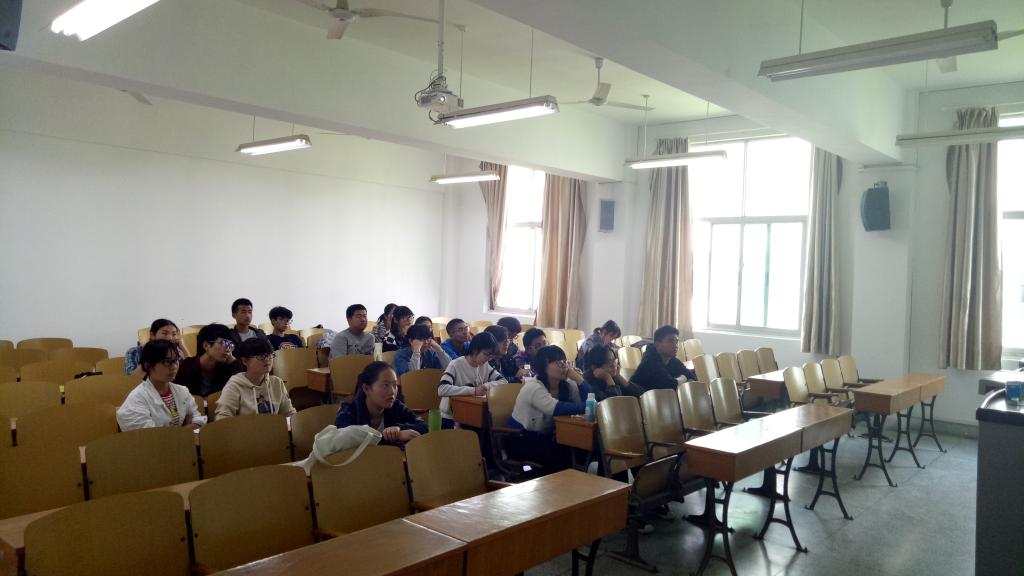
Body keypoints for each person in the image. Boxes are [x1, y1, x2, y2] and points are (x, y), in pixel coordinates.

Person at [506, 345, 589, 471]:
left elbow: (590, 400)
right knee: (565, 456)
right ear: (544, 366)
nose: (564, 366)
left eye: (565, 362)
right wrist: (588, 407)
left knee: (583, 449)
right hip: (522, 438)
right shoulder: (534, 387)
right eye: (559, 362)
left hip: (546, 436)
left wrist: (579, 379)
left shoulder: (566, 385)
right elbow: (558, 409)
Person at [117, 340, 206, 431]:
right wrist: (186, 429)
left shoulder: (182, 391)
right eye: (167, 362)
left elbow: (198, 420)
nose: (174, 366)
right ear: (148, 365)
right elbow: (151, 435)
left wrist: (189, 427)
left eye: (176, 360)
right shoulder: (137, 399)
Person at [334, 361, 427, 446]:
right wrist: (395, 436)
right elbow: (345, 442)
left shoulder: (396, 406)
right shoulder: (349, 410)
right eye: (385, 385)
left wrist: (399, 428)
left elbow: (424, 426)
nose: (392, 391)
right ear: (367, 388)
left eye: (395, 385)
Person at [216, 337, 295, 419]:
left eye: (270, 355)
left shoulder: (277, 382)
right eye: (261, 356)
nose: (267, 359)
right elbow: (222, 419)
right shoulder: (234, 386)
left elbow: (289, 413)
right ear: (245, 361)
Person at [437, 332, 508, 423]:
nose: (488, 359)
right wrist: (474, 391)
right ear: (475, 350)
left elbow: (503, 381)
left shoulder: (485, 365)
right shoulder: (456, 364)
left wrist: (486, 386)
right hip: (451, 417)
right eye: (486, 354)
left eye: (491, 356)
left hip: (472, 414)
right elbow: (442, 389)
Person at [175, 323, 243, 397]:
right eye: (224, 343)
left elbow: (241, 388)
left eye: (230, 345)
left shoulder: (228, 368)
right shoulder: (185, 367)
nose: (228, 349)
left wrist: (233, 362)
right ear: (206, 345)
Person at [631, 325, 696, 391]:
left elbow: (692, 378)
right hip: (637, 396)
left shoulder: (672, 360)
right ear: (657, 345)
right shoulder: (650, 361)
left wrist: (681, 381)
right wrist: (683, 378)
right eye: (670, 341)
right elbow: (670, 385)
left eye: (676, 342)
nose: (675, 346)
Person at [124, 319, 190, 376]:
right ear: (152, 335)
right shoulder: (134, 352)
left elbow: (191, 371)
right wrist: (154, 353)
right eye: (165, 333)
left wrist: (183, 348)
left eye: (174, 334)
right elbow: (131, 378)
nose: (170, 338)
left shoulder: (176, 351)